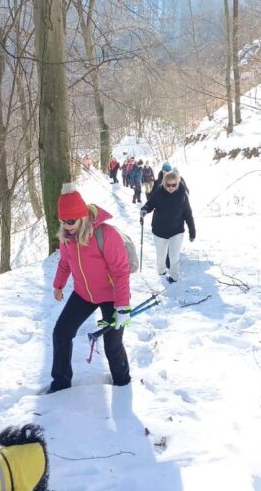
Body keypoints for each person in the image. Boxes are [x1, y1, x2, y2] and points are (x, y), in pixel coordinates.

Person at [49, 183, 132, 393]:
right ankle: (60, 384)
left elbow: (121, 271)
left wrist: (123, 306)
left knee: (112, 344)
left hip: (112, 296)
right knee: (61, 333)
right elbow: (65, 263)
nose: (66, 226)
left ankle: (122, 383)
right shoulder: (66, 238)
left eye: (70, 221)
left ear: (82, 216)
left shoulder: (105, 234)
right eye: (62, 221)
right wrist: (58, 285)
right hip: (83, 294)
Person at [140, 168, 196, 284]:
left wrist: (192, 232)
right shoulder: (159, 193)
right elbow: (150, 204)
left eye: (173, 185)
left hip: (176, 230)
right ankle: (161, 273)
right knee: (161, 256)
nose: (171, 187)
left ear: (178, 183)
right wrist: (145, 209)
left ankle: (174, 277)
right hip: (159, 231)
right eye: (168, 185)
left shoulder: (182, 195)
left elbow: (188, 214)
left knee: (174, 256)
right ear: (164, 184)